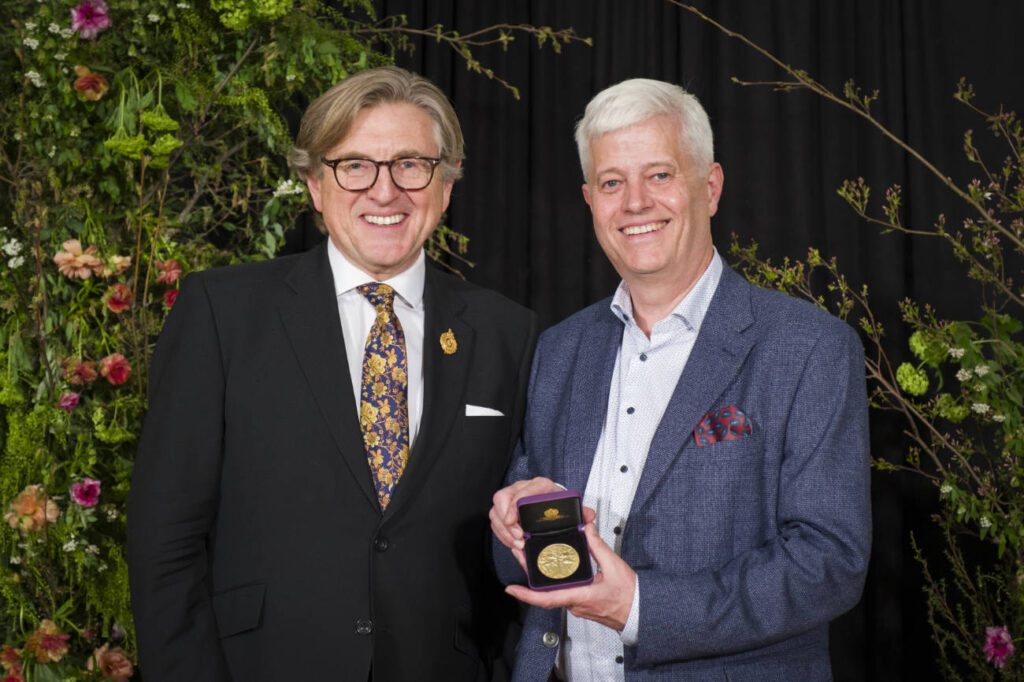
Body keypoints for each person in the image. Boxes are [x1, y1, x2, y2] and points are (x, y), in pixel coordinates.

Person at [128, 66, 537, 681]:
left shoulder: (508, 333)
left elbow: (512, 542)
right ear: (315, 186)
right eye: (355, 166)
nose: (384, 190)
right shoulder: (222, 312)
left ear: (446, 186)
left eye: (410, 164)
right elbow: (166, 539)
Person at [490, 78, 870, 680]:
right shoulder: (559, 351)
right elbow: (519, 564)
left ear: (710, 187)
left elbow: (829, 562)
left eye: (659, 175)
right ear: (590, 199)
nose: (635, 202)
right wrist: (513, 525)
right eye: (613, 182)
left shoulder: (809, 348)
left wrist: (638, 606)